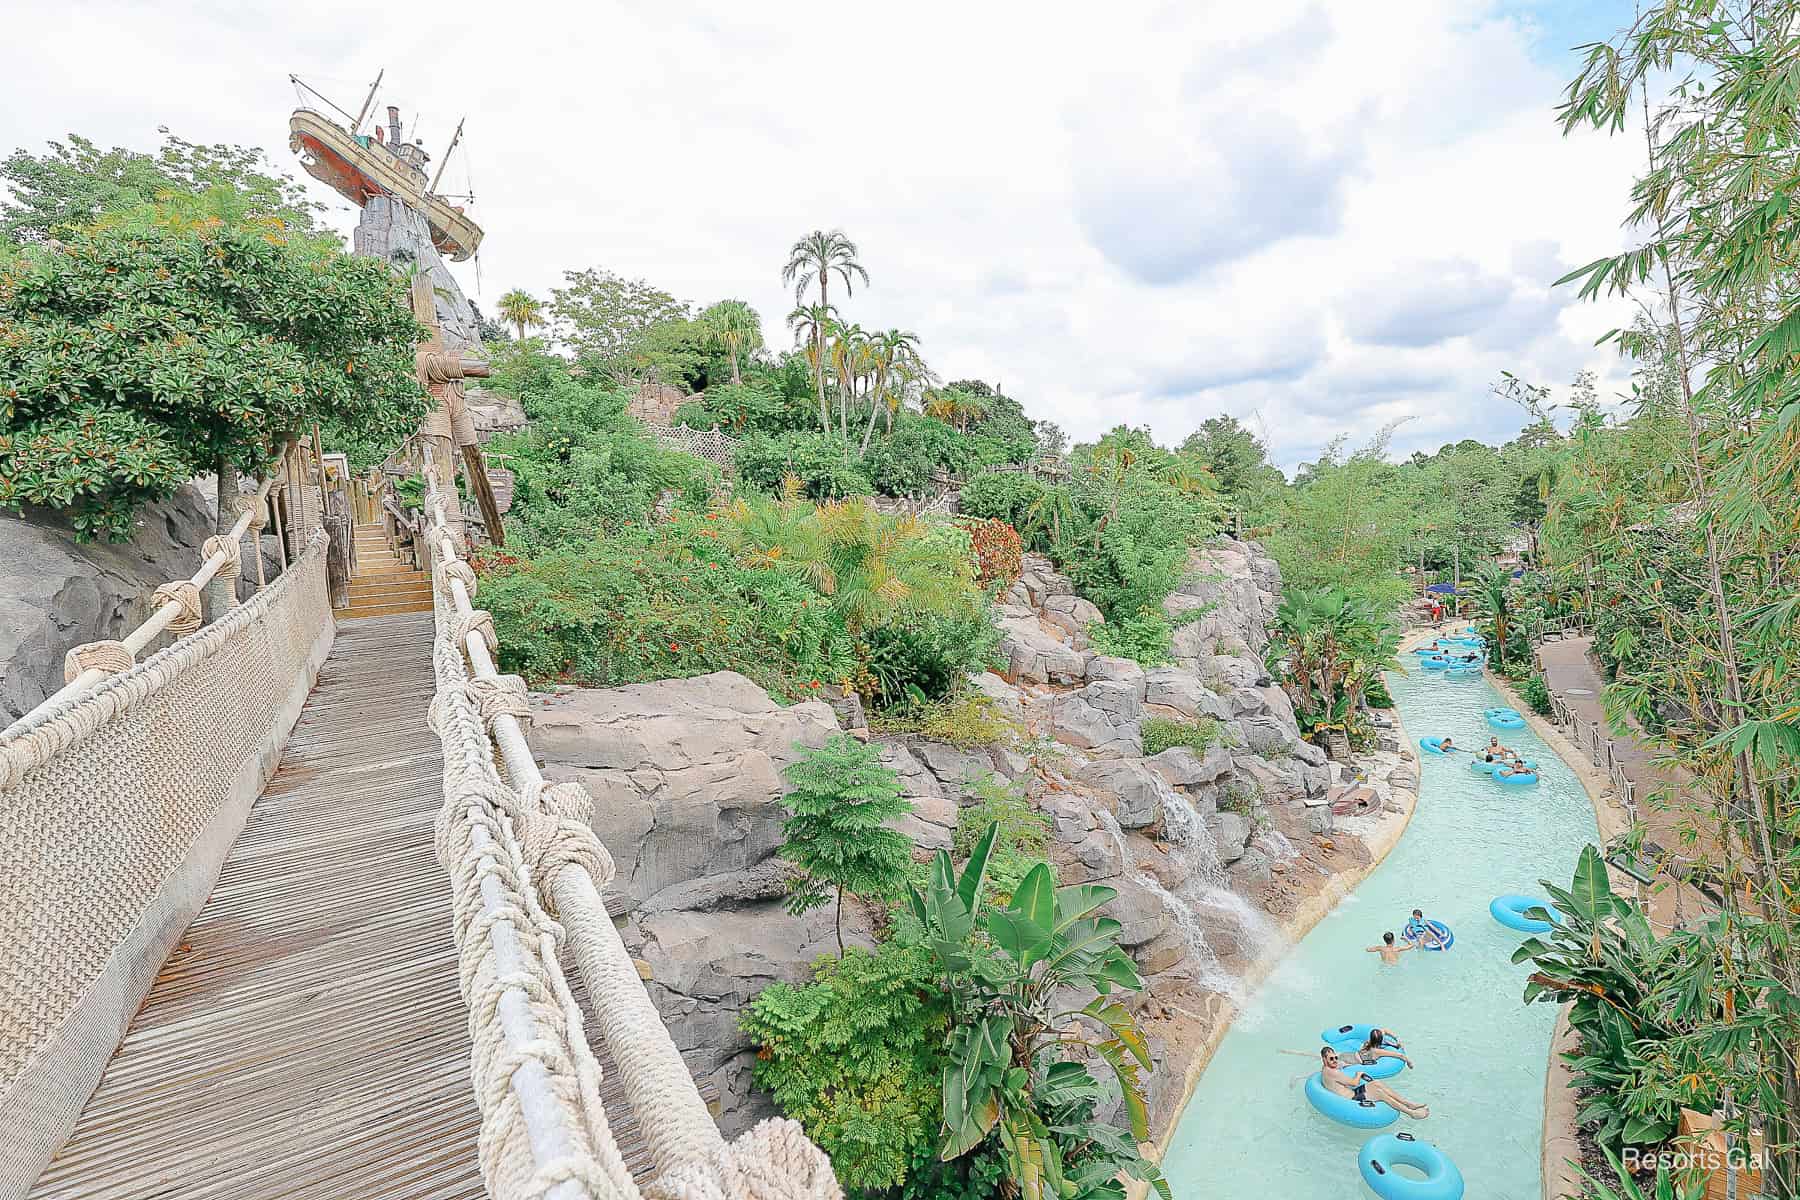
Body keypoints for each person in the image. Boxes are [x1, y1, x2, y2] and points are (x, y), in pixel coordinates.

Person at [1321, 1047, 1429, 1118]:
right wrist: (1358, 1074)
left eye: (1335, 1057)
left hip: (1353, 1093)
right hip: (1351, 1099)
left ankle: (1408, 1103)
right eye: (1331, 1059)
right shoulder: (1333, 1072)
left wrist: (1345, 1065)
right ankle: (1411, 1113)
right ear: (1324, 1059)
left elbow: (1342, 1078)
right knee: (1379, 1093)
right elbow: (1354, 1083)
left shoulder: (1326, 1069)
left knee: (1376, 1083)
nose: (1335, 1060)